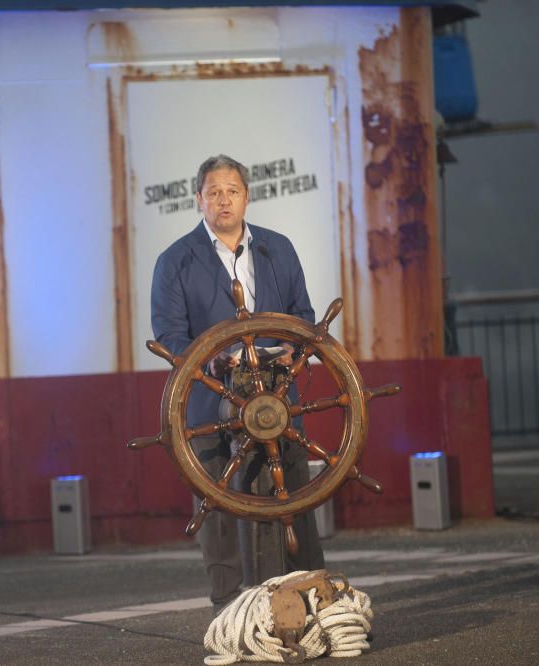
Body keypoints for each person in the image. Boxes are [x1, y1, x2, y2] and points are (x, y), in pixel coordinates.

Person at [151, 154, 326, 613]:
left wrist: (293, 350)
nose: (223, 200)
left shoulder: (278, 250)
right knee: (219, 508)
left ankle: (305, 601)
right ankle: (230, 612)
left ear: (247, 197)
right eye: (213, 192)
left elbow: (303, 318)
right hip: (211, 406)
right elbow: (170, 336)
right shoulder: (174, 262)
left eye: (231, 191)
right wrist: (214, 360)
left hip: (277, 400)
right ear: (198, 200)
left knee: (294, 501)